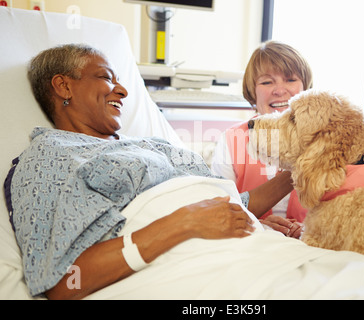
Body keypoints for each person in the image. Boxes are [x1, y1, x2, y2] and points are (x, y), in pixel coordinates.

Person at [7, 44, 296, 300]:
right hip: (200, 270)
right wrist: (183, 223)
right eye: (106, 77)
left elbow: (234, 206)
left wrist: (303, 166)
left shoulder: (151, 144)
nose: (122, 90)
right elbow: (62, 283)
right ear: (63, 86)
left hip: (259, 251)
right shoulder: (50, 154)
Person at [211, 41, 313, 236]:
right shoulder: (232, 140)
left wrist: (308, 229)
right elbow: (220, 209)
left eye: (290, 79)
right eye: (267, 82)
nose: (280, 90)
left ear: (305, 87)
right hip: (254, 239)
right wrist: (260, 224)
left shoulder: (325, 138)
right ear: (252, 92)